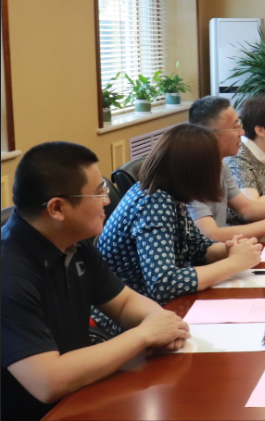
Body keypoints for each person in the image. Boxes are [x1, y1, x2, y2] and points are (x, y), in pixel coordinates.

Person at [2, 142, 190, 421]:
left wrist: (161, 323)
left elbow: (123, 302)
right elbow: (47, 381)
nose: (106, 201)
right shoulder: (8, 272)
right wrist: (144, 335)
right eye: (98, 192)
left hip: (82, 393)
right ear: (57, 208)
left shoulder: (73, 242)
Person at [96, 125, 265, 321]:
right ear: (195, 171)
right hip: (130, 317)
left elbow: (197, 246)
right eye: (214, 164)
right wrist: (234, 263)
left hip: (156, 309)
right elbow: (164, 283)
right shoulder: (153, 203)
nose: (219, 169)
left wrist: (229, 249)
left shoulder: (171, 194)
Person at [188, 96, 265, 242]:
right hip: (218, 249)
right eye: (235, 127)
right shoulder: (192, 171)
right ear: (211, 134)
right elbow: (210, 235)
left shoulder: (221, 166)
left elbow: (246, 209)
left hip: (231, 246)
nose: (242, 132)